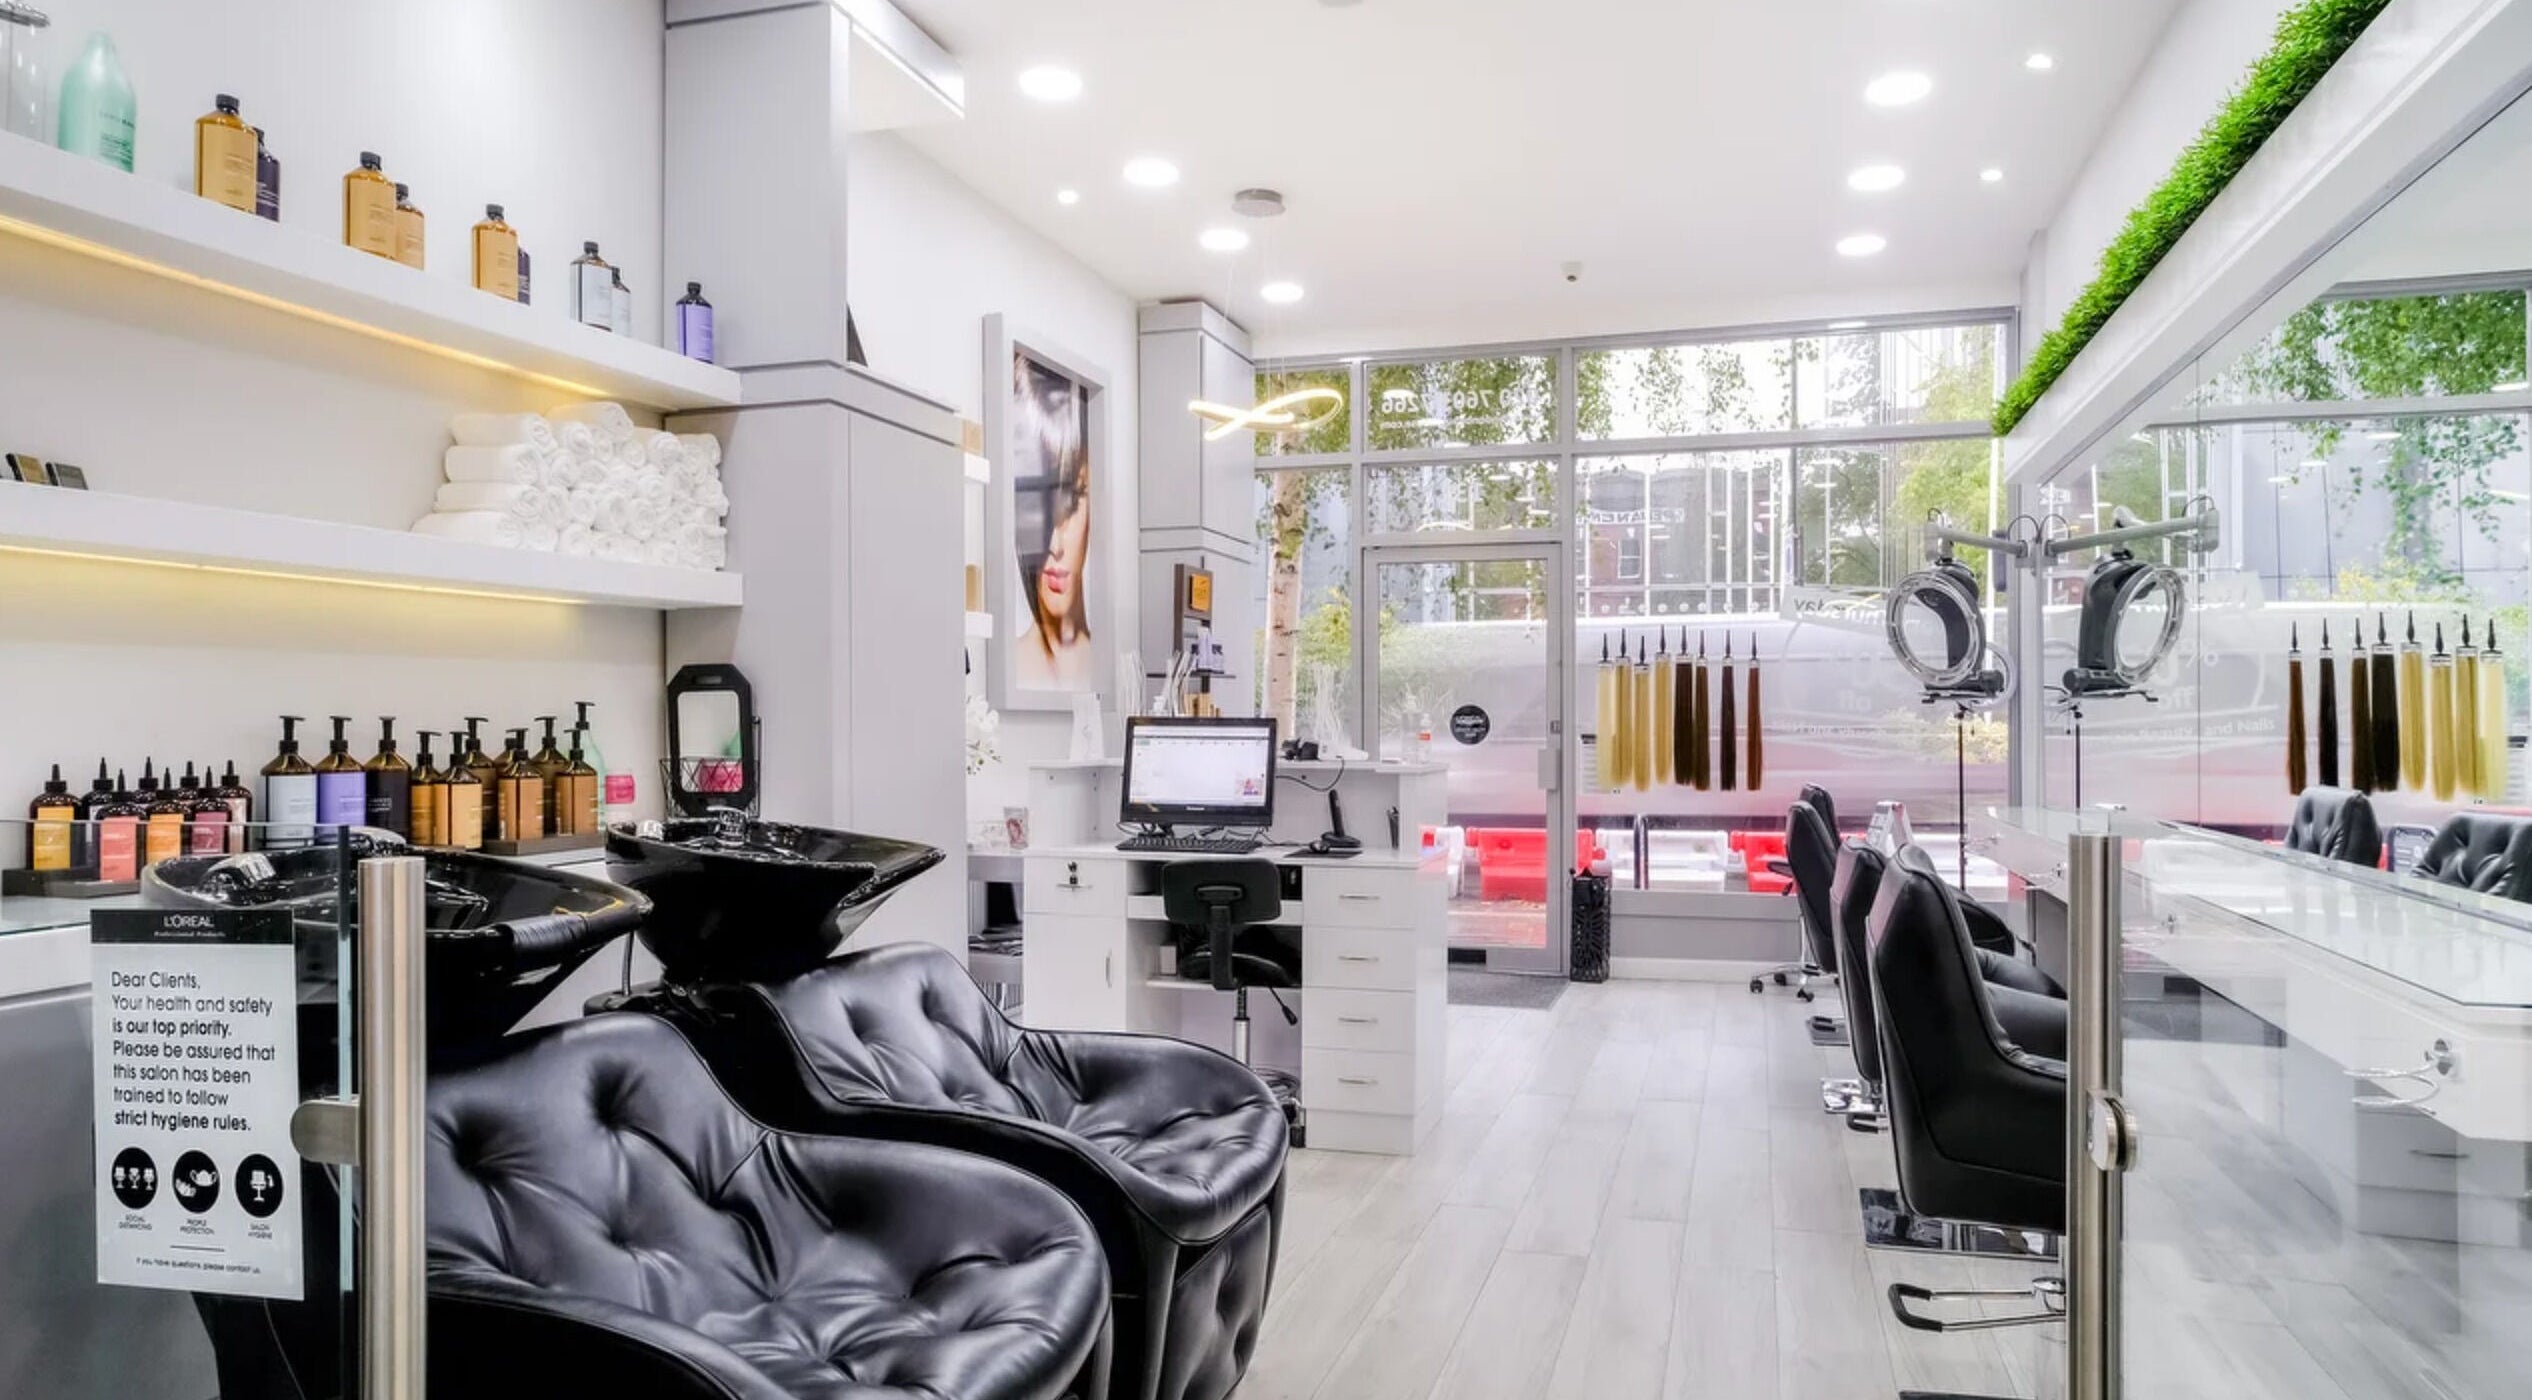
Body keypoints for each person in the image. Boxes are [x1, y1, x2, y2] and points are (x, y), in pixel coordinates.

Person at [1014, 357, 1095, 691]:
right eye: (1033, 503)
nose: (1054, 545)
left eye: (1072, 500)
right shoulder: (1016, 662)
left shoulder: (1106, 673)